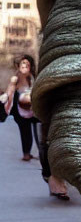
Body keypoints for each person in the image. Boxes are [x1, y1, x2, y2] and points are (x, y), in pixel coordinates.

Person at [4, 55, 69, 199]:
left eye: (27, 63)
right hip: (22, 112)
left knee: (43, 144)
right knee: (29, 136)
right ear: (18, 66)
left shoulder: (36, 77)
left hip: (38, 113)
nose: (25, 66)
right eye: (22, 64)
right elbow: (9, 91)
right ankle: (34, 160)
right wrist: (5, 98)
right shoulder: (16, 78)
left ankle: (56, 181)